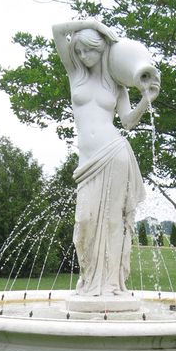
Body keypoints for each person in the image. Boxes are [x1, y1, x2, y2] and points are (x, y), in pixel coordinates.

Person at [52, 18, 160, 298]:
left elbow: (127, 122)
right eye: (79, 51)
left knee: (114, 222)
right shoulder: (74, 74)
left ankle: (111, 284)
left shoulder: (116, 86)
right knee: (85, 222)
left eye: (90, 51)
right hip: (88, 162)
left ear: (103, 52)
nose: (83, 56)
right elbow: (57, 30)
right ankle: (89, 281)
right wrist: (95, 25)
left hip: (115, 154)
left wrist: (146, 99)